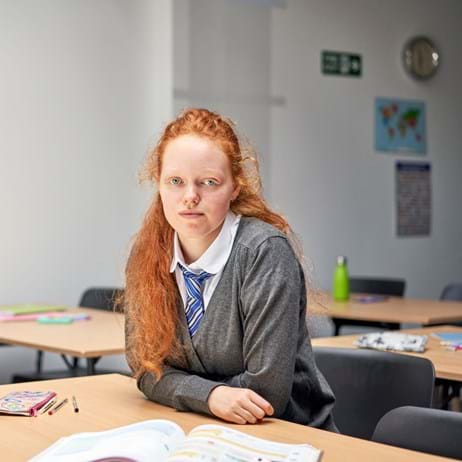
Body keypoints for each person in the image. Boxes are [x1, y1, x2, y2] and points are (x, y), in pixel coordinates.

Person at [124, 108, 337, 431]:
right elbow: (146, 370)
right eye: (176, 182)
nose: (190, 197)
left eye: (209, 182)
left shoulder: (264, 252)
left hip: (285, 438)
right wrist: (211, 396)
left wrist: (180, 388)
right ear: (159, 184)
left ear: (234, 187)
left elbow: (265, 393)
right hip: (196, 431)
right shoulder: (147, 254)